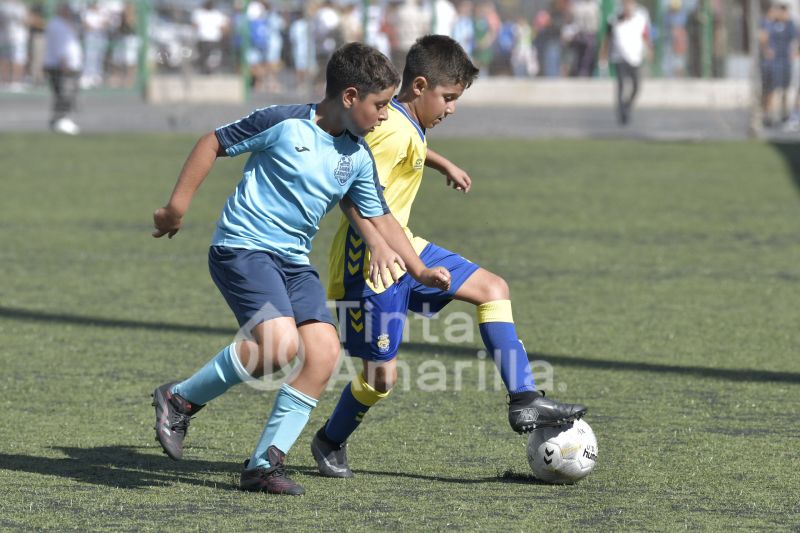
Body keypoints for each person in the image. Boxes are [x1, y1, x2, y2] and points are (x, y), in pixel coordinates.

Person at [150, 42, 451, 496]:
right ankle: (179, 399)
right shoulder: (285, 122)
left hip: (293, 261)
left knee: (324, 354)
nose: (386, 115)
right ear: (350, 97)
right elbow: (213, 141)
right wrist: (177, 207)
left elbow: (381, 217)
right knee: (278, 345)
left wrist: (419, 270)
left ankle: (263, 464)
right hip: (243, 248)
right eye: (380, 105)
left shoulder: (357, 155)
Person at [310, 35, 588, 479]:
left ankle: (524, 399)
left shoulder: (403, 122)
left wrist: (440, 163)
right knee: (381, 380)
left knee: (492, 289)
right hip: (368, 267)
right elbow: (355, 193)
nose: (452, 108)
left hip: (405, 249)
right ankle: (329, 439)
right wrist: (381, 244)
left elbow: (407, 148)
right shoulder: (391, 128)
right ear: (419, 86)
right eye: (449, 98)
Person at [601, 0, 651, 126]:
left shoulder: (640, 19)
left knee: (636, 86)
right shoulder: (614, 20)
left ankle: (627, 105)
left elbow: (645, 36)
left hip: (635, 57)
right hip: (620, 57)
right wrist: (603, 56)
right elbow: (608, 39)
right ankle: (622, 112)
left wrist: (649, 50)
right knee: (622, 84)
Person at [43, 3, 82, 135]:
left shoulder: (63, 24)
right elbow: (61, 46)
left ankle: (59, 119)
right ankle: (61, 119)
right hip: (62, 66)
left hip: (64, 65)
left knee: (65, 93)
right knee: (65, 93)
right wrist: (65, 63)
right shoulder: (58, 25)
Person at [759, 1, 796, 128]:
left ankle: (785, 114)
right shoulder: (769, 24)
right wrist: (765, 50)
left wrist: (795, 53)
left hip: (785, 61)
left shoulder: (790, 25)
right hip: (772, 63)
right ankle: (768, 115)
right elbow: (763, 38)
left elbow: (796, 39)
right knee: (770, 90)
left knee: (785, 89)